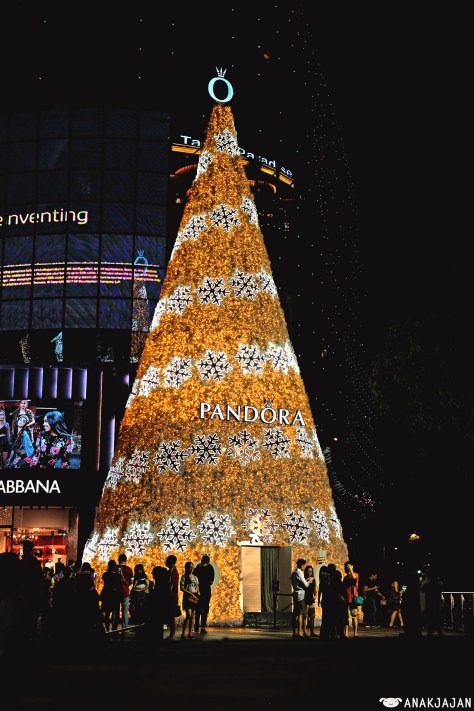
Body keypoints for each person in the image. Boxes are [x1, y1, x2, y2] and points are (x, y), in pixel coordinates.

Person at [193, 554, 215, 634]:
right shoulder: (210, 567)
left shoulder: (198, 567)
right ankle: (202, 628)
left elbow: (194, 577)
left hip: (198, 591)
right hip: (206, 591)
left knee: (198, 609)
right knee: (204, 609)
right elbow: (211, 581)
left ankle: (196, 627)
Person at [100, 560, 122, 632]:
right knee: (115, 612)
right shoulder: (117, 575)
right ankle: (114, 629)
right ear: (115, 566)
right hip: (115, 595)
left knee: (107, 613)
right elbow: (121, 581)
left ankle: (107, 629)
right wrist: (119, 573)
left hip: (107, 594)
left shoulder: (105, 574)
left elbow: (104, 579)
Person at [180, 561, 200, 640]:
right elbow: (181, 588)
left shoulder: (195, 577)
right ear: (186, 568)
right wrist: (190, 593)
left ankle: (190, 634)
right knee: (188, 615)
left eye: (191, 567)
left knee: (193, 616)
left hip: (194, 596)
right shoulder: (184, 577)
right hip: (187, 596)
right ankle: (183, 634)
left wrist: (197, 594)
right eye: (189, 567)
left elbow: (197, 587)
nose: (190, 568)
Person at [290, 558, 310, 638]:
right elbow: (306, 585)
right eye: (304, 565)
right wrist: (309, 580)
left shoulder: (293, 573)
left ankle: (294, 633)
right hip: (301, 595)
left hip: (295, 594)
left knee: (295, 614)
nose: (304, 567)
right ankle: (300, 633)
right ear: (302, 565)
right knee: (300, 614)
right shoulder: (299, 572)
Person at [343, 561, 361, 637]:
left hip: (353, 599)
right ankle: (346, 633)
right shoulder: (345, 578)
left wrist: (351, 569)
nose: (346, 567)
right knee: (346, 617)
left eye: (347, 566)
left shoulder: (356, 574)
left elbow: (354, 578)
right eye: (346, 566)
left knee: (354, 617)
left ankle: (355, 633)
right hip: (347, 599)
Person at [117, 553, 133, 629]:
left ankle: (114, 628)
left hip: (116, 592)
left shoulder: (115, 568)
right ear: (125, 560)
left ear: (118, 560)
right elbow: (131, 581)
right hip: (125, 592)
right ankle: (124, 628)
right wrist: (126, 585)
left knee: (115, 611)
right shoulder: (129, 569)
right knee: (125, 612)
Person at [165, 554, 180, 641]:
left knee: (172, 615)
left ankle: (172, 635)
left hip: (172, 596)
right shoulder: (172, 571)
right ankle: (171, 634)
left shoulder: (173, 572)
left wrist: (168, 593)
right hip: (172, 596)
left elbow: (171, 584)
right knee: (171, 615)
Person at [304, 564, 317, 637]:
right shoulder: (304, 579)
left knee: (312, 616)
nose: (309, 573)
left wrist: (315, 595)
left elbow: (314, 589)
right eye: (308, 571)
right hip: (305, 599)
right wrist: (307, 580)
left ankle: (312, 632)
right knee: (304, 616)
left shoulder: (313, 579)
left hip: (311, 599)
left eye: (310, 571)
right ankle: (304, 632)